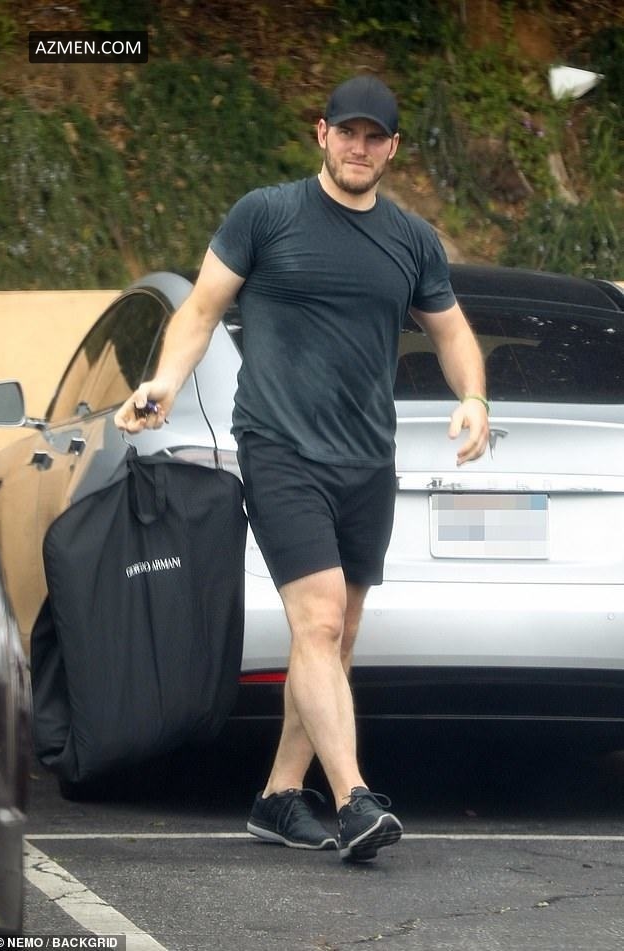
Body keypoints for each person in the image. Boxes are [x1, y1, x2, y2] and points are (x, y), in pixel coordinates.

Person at [114, 74, 489, 862]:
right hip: (280, 448)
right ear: (322, 133)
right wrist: (164, 382)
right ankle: (355, 799)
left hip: (367, 459)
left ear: (393, 148)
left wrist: (474, 397)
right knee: (317, 622)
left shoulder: (413, 240)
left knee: (334, 638)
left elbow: (452, 332)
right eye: (347, 132)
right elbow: (201, 309)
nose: (359, 147)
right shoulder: (266, 214)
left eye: (374, 136)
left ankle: (279, 795)